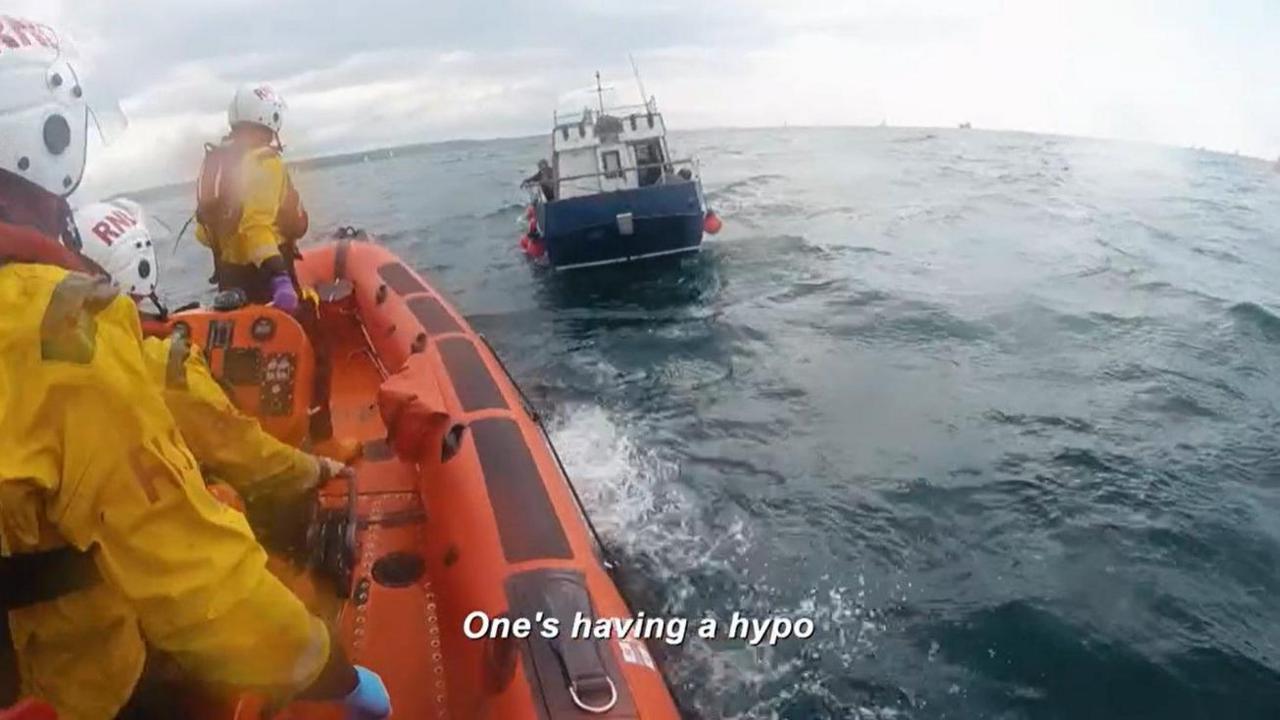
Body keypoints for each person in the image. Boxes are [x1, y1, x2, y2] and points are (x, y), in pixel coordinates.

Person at [0, 20, 389, 720]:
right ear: (48, 140)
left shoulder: (214, 168)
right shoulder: (59, 339)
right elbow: (191, 566)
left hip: (225, 281)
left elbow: (217, 233)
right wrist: (329, 673)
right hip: (73, 681)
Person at [74, 199, 347, 507]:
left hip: (91, 505)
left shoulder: (51, 348)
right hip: (141, 517)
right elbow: (246, 454)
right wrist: (318, 468)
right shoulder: (163, 365)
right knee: (227, 497)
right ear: (141, 266)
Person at [194, 84, 351, 455]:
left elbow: (204, 233)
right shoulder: (265, 163)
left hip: (231, 281)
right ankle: (323, 438)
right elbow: (257, 229)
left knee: (245, 363)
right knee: (313, 349)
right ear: (271, 118)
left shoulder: (216, 163)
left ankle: (257, 446)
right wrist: (279, 279)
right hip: (267, 276)